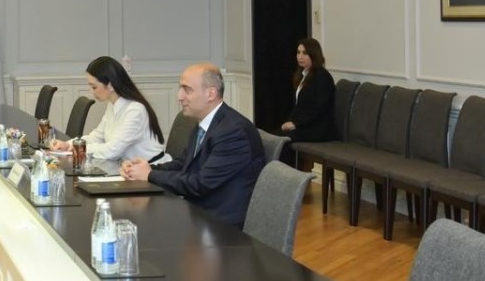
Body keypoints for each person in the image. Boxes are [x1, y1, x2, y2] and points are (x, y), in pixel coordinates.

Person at [120, 63, 264, 227]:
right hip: (199, 210)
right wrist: (143, 169)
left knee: (139, 224)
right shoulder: (207, 122)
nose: (179, 96)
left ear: (210, 94)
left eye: (187, 90)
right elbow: (184, 164)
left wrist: (149, 175)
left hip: (221, 224)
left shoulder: (232, 132)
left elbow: (200, 184)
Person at [49, 56, 170, 163]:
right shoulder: (113, 105)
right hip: (129, 168)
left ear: (110, 85)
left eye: (94, 87)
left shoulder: (135, 111)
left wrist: (79, 148)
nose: (92, 92)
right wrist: (69, 144)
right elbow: (97, 137)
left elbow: (113, 150)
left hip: (151, 171)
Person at [281, 38, 337, 143]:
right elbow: (299, 107)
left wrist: (296, 124)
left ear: (314, 55)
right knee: (275, 134)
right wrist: (290, 121)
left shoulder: (322, 77)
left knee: (282, 138)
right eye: (298, 52)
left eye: (305, 53)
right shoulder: (302, 75)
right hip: (305, 125)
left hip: (319, 129)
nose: (300, 57)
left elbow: (318, 109)